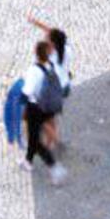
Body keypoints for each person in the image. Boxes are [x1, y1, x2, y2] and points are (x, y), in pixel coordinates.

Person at [19, 40, 67, 184]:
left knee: (35, 140)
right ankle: (28, 162)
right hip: (49, 107)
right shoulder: (52, 66)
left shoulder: (34, 70)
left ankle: (55, 167)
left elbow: (27, 91)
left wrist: (21, 106)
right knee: (34, 137)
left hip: (35, 108)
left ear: (36, 53)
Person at [28, 15, 70, 154]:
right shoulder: (66, 47)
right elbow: (53, 32)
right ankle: (50, 143)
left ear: (52, 44)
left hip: (52, 90)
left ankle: (55, 141)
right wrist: (37, 22)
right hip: (63, 87)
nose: (45, 38)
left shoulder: (49, 57)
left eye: (47, 39)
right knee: (49, 117)